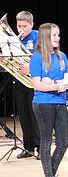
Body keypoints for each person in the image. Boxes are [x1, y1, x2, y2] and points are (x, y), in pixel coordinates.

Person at [30, 23, 68, 177]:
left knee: (64, 142)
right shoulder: (37, 58)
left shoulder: (62, 56)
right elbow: (37, 84)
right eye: (54, 35)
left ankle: (51, 176)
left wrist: (54, 83)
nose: (58, 38)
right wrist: (55, 85)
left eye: (58, 35)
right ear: (45, 37)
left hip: (60, 102)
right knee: (46, 141)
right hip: (43, 103)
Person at [14, 11, 40, 159]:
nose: (21, 29)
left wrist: (30, 67)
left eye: (24, 26)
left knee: (34, 115)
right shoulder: (14, 40)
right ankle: (28, 147)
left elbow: (44, 57)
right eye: (19, 26)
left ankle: (40, 147)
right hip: (19, 80)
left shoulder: (38, 37)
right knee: (23, 115)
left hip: (35, 80)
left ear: (32, 24)